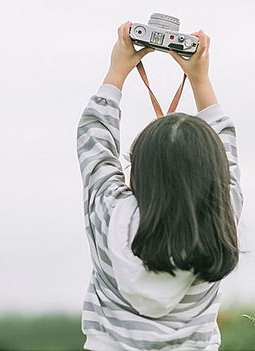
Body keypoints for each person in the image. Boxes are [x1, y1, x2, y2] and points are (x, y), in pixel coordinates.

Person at [76, 21, 243, 351]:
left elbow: (94, 140)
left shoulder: (109, 212)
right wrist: (200, 79)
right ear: (216, 176)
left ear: (137, 173)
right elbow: (227, 150)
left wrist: (118, 69)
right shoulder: (221, 220)